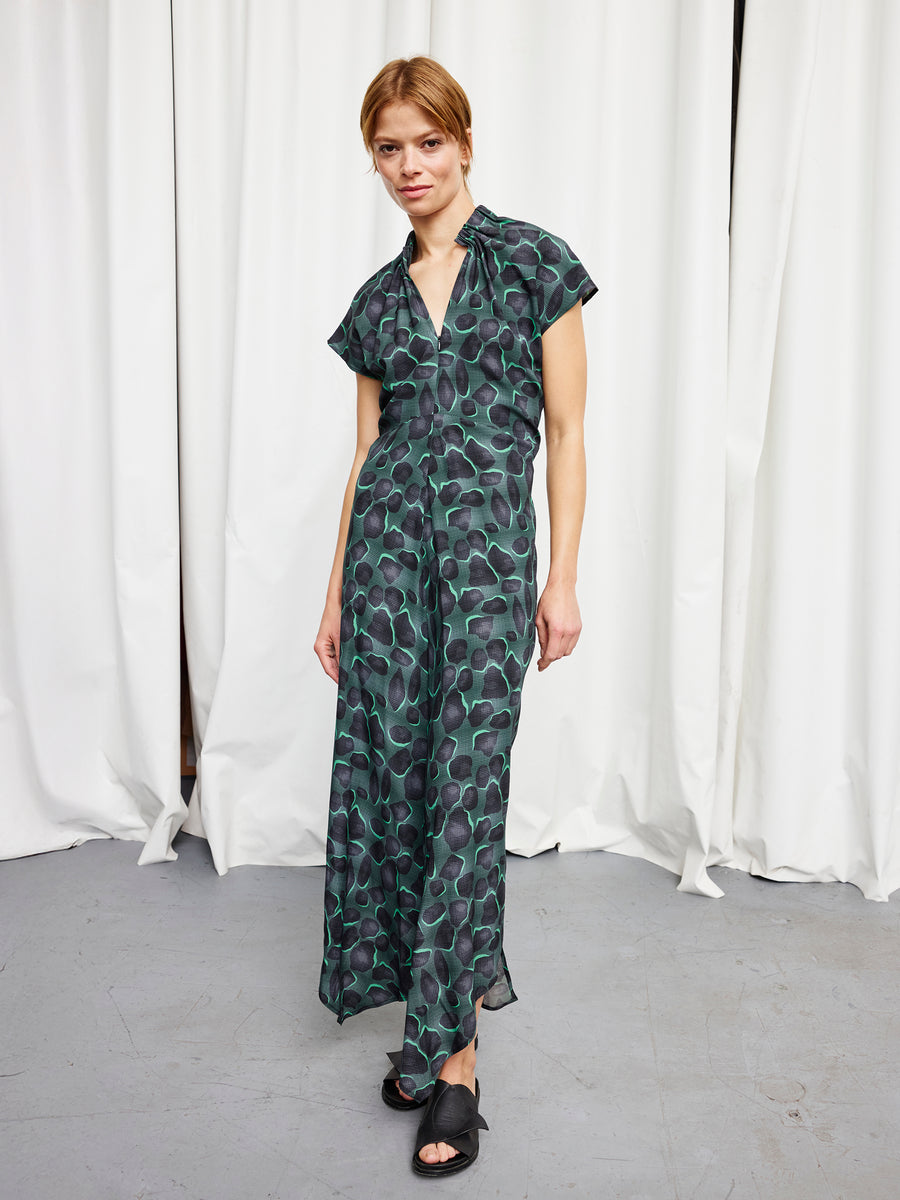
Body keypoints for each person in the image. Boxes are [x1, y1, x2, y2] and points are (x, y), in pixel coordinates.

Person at [313, 56, 595, 1178]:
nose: (408, 166)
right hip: (386, 568)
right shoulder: (377, 303)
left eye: (425, 142)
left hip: (485, 571)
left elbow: (568, 436)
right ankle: (432, 1029)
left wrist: (560, 578)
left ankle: (455, 1064)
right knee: (399, 789)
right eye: (388, 148)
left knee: (466, 796)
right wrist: (336, 589)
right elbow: (370, 450)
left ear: (464, 143)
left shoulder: (534, 265)